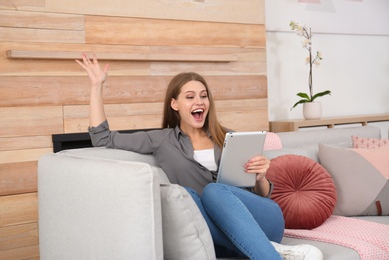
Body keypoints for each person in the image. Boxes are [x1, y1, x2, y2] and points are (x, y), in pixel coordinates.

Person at [76, 53, 323, 260]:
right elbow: (102, 138)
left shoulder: (230, 137)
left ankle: (268, 252)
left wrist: (260, 177)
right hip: (214, 231)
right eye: (190, 96)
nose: (200, 101)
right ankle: (271, 251)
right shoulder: (161, 140)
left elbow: (261, 194)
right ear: (175, 104)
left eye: (203, 95)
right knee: (187, 197)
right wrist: (96, 85)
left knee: (214, 192)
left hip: (264, 219)